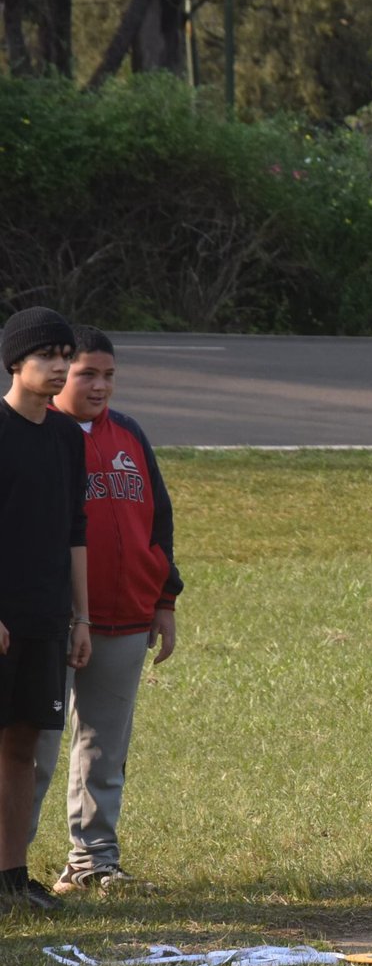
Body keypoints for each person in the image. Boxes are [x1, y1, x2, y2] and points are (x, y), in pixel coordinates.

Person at [32, 326, 183, 893]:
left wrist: (164, 599)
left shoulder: (130, 435)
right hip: (53, 623)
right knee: (36, 747)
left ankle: (94, 861)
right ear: (59, 373)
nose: (100, 386)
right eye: (86, 373)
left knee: (104, 747)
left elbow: (159, 520)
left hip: (125, 618)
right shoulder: (40, 435)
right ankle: (10, 869)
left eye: (109, 375)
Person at [0, 307, 91, 912]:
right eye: (48, 356)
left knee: (22, 748)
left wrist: (80, 617)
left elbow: (73, 530)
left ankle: (10, 876)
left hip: (44, 614)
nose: (61, 368)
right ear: (15, 362)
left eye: (66, 356)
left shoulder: (63, 434)